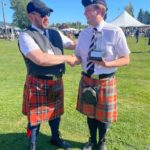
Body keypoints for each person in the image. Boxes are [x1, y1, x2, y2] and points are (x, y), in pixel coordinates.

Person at [18, 0, 77, 150]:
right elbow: (40, 59)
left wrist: (95, 34)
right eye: (43, 14)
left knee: (56, 114)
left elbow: (73, 44)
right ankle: (32, 145)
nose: (47, 17)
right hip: (37, 83)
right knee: (34, 118)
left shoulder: (55, 32)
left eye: (48, 13)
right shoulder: (25, 36)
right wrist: (66, 58)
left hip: (56, 82)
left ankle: (55, 138)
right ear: (31, 16)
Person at [74, 0, 130, 150]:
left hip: (105, 81)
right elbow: (79, 56)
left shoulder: (115, 31)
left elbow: (126, 59)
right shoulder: (84, 34)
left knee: (104, 117)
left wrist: (107, 64)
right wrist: (72, 60)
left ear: (99, 11)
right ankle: (92, 140)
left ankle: (102, 142)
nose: (84, 13)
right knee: (90, 115)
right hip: (87, 79)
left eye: (87, 10)